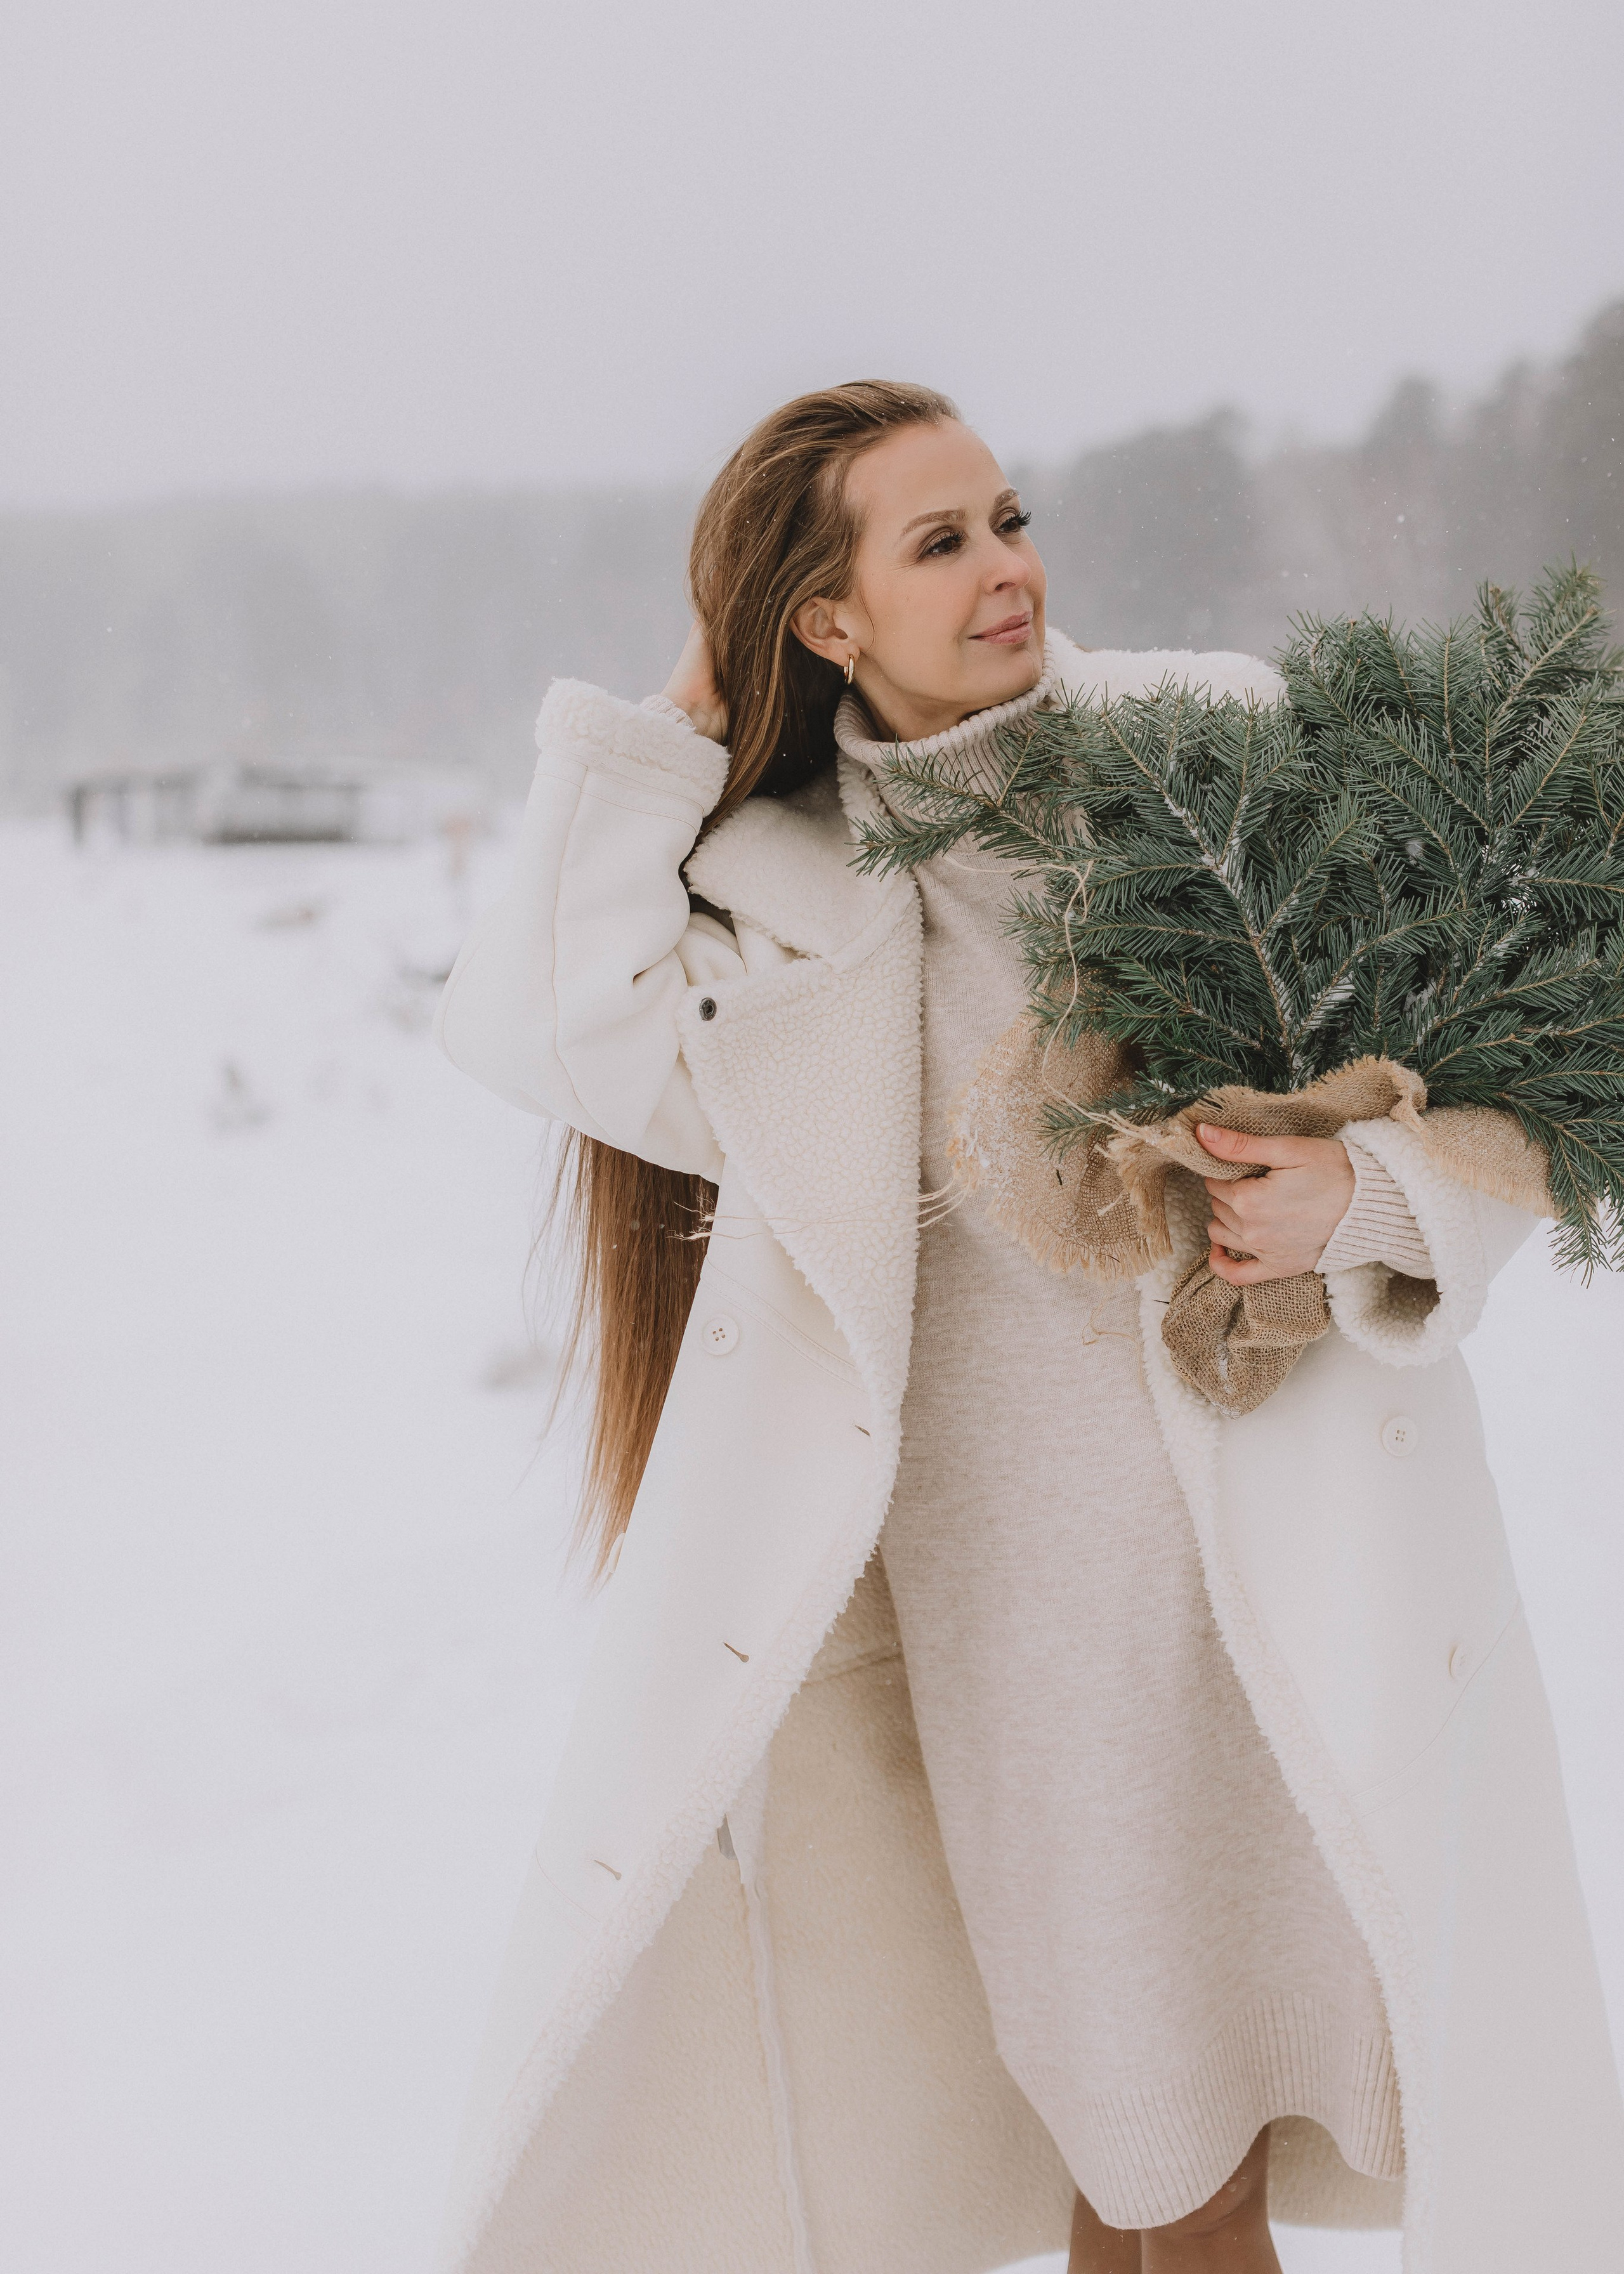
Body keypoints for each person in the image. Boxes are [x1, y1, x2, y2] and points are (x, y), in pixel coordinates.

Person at [432, 383, 1624, 2274]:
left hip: (1282, 1588)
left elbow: (1533, 1067)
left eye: (1008, 516)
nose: (1007, 567)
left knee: (1196, 2159)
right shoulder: (788, 893)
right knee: (1132, 2154)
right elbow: (546, 1026)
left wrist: (1362, 1198)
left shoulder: (1207, 751)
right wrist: (685, 705)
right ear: (825, 619)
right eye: (936, 543)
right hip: (1015, 1641)